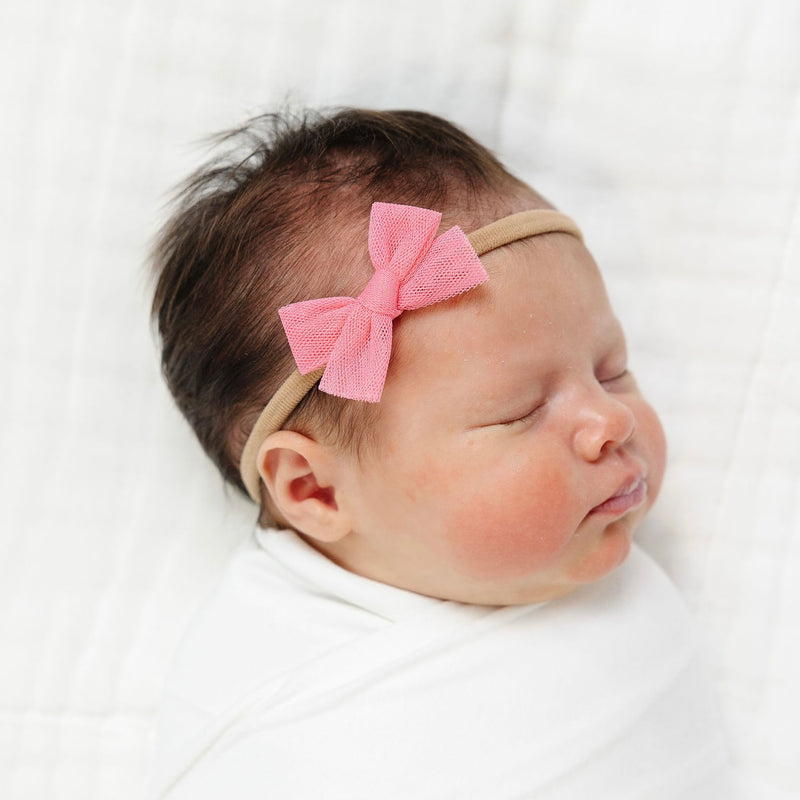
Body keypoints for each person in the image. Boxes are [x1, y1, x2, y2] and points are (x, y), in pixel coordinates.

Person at [149, 108, 739, 798]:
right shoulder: (267, 695)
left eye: (612, 369)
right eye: (521, 411)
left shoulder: (602, 591)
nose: (610, 419)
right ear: (315, 490)